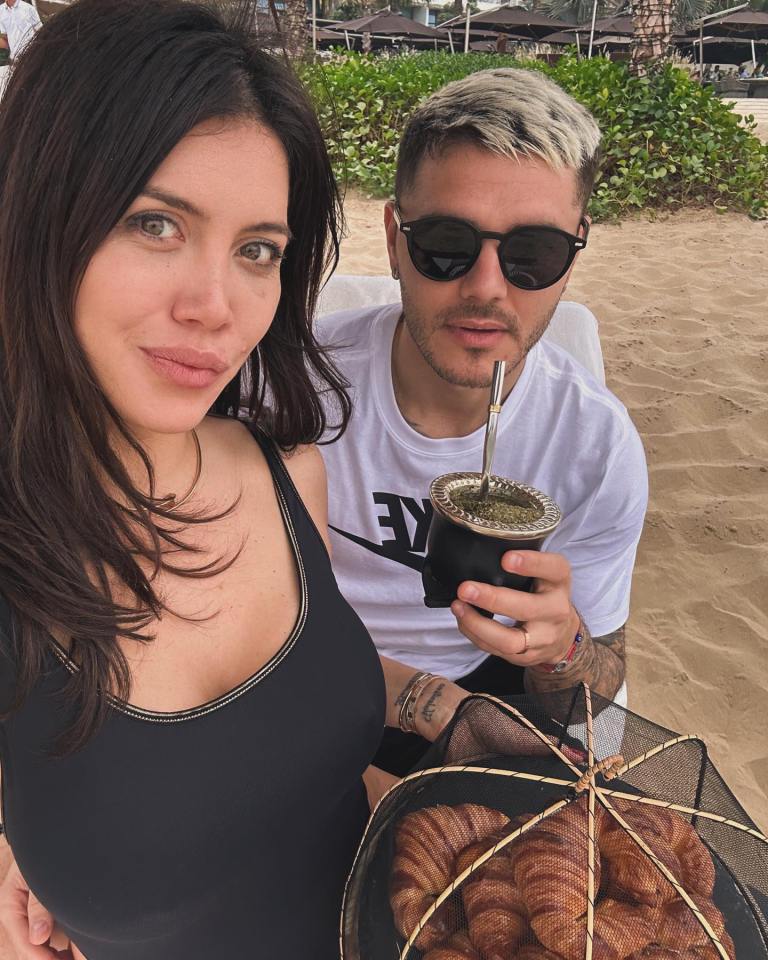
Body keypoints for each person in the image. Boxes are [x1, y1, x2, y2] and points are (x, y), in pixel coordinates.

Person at [0, 0, 474, 957]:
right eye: (155, 223)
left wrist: (460, 716)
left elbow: (289, 702)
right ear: (40, 212)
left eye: (258, 249)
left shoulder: (286, 471)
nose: (216, 307)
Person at [316, 67, 649, 776]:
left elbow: (599, 691)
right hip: (304, 689)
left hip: (491, 695)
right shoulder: (300, 392)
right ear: (394, 236)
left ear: (575, 250)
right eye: (445, 243)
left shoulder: (594, 443)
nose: (486, 288)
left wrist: (561, 649)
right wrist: (431, 708)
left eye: (533, 254)